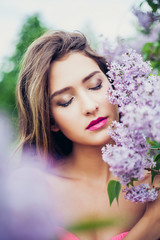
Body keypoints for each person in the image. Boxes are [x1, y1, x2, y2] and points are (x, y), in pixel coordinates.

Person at [16, 30, 160, 240]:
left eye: (96, 85)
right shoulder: (32, 193)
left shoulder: (154, 176)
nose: (90, 106)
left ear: (116, 85)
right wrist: (151, 223)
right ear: (51, 121)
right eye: (66, 101)